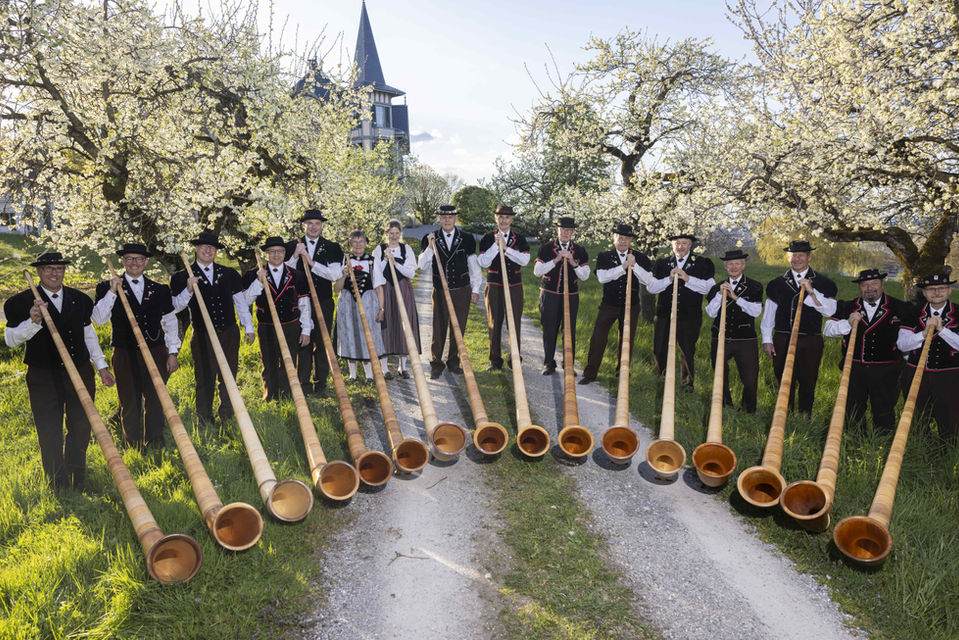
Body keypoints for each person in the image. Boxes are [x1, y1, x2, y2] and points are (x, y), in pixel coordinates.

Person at [4, 251, 115, 489]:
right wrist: (33, 321)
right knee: (49, 428)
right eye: (49, 269)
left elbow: (89, 334)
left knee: (81, 425)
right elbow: (11, 340)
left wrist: (102, 366)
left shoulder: (79, 299)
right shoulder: (19, 302)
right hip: (43, 374)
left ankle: (78, 477)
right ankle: (57, 481)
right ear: (39, 272)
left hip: (81, 370)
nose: (55, 273)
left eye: (59, 268)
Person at [92, 243, 180, 448]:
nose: (134, 263)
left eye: (139, 259)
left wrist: (172, 352)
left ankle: (155, 441)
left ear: (146, 262)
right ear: (122, 261)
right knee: (129, 401)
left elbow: (170, 321)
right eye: (129, 259)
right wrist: (113, 291)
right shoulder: (106, 287)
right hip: (125, 352)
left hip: (156, 350)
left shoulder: (159, 289)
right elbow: (98, 319)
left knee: (156, 398)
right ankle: (132, 444)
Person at [170, 231, 247, 424]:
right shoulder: (182, 277)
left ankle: (228, 415)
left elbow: (240, 301)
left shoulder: (229, 273)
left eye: (211, 247)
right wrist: (188, 289)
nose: (207, 250)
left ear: (216, 251)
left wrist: (249, 326)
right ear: (196, 248)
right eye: (203, 246)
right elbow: (175, 307)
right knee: (205, 377)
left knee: (229, 375)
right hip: (203, 335)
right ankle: (204, 417)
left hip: (229, 332)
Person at [824, 269, 907, 434]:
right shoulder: (848, 306)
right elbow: (828, 329)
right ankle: (854, 442)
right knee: (853, 409)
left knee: (884, 409)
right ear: (860, 288)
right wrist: (848, 323)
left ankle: (882, 443)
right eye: (864, 285)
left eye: (874, 283)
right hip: (854, 368)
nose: (869, 288)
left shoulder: (899, 307)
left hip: (887, 369)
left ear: (882, 284)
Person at [760, 240, 838, 415]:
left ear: (809, 257)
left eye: (801, 255)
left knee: (808, 379)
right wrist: (767, 339)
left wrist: (811, 291)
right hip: (782, 338)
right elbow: (769, 315)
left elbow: (829, 311)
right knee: (783, 378)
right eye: (793, 255)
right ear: (788, 257)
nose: (797, 259)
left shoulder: (825, 283)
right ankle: (784, 414)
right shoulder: (776, 284)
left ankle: (804, 416)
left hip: (810, 340)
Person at [237, 237, 312, 401]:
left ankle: (287, 395)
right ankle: (269, 396)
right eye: (272, 251)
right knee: (269, 362)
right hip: (267, 326)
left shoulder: (296, 275)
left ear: (285, 253)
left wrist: (306, 329)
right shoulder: (253, 275)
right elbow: (246, 301)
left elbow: (304, 304)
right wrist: (258, 281)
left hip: (290, 325)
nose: (276, 255)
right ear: (266, 254)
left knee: (289, 361)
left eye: (280, 251)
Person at [580, 224, 653, 385]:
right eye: (620, 238)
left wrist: (635, 266)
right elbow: (602, 277)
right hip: (609, 305)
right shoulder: (604, 256)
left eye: (626, 238)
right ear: (614, 239)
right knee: (598, 337)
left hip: (631, 306)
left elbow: (648, 280)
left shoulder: (639, 257)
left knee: (626, 339)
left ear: (631, 240)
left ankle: (622, 373)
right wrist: (623, 267)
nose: (623, 241)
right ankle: (590, 373)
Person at [896, 270, 959, 448]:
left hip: (950, 376)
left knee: (950, 419)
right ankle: (919, 453)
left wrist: (942, 330)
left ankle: (947, 456)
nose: (936, 292)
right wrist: (924, 333)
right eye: (931, 289)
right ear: (924, 292)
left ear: (949, 291)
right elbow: (902, 344)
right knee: (917, 417)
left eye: (941, 288)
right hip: (916, 373)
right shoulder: (912, 312)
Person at [418, 205, 482, 379]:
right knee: (439, 327)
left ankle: (454, 362)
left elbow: (474, 266)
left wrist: (475, 290)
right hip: (439, 291)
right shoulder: (430, 238)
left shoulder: (467, 238)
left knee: (458, 327)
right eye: (444, 217)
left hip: (461, 290)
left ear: (455, 219)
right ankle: (436, 363)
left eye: (450, 217)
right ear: (439, 219)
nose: (447, 220)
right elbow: (422, 265)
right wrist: (430, 247)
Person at [286, 208, 344, 395]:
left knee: (322, 340)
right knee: (303, 340)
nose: (313, 227)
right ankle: (302, 383)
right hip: (298, 302)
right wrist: (295, 256)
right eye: (309, 223)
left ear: (321, 226)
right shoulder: (290, 246)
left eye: (317, 223)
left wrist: (312, 264)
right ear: (304, 225)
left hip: (324, 300)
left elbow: (335, 274)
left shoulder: (333, 247)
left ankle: (320, 383)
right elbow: (283, 274)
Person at [648, 233, 715, 388]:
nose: (680, 246)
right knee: (659, 349)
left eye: (684, 243)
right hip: (664, 314)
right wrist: (669, 279)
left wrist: (687, 278)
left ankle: (687, 385)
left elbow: (710, 288)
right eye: (677, 243)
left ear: (690, 245)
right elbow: (651, 287)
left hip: (689, 316)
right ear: (672, 245)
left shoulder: (702, 263)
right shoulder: (662, 263)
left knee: (687, 351)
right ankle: (662, 380)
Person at [704, 249, 762, 413]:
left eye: (737, 264)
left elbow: (756, 312)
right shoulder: (717, 287)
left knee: (750, 378)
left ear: (743, 265)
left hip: (745, 339)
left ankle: (748, 410)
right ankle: (724, 406)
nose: (734, 267)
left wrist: (735, 297)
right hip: (720, 337)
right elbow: (710, 312)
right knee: (720, 376)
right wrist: (720, 296)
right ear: (726, 267)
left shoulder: (754, 286)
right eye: (730, 264)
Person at [533, 216, 590, 375]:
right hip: (549, 294)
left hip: (571, 296)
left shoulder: (580, 250)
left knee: (569, 330)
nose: (565, 232)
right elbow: (537, 272)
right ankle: (549, 363)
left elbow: (585, 276)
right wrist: (557, 259)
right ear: (557, 230)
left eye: (569, 230)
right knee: (549, 329)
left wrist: (573, 262)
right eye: (562, 229)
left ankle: (568, 364)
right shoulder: (546, 248)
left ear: (573, 232)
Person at [477, 205, 530, 371]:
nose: (504, 220)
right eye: (500, 217)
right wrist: (496, 245)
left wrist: (506, 249)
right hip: (494, 286)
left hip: (514, 286)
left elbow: (524, 260)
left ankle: (514, 359)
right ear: (496, 219)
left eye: (507, 217)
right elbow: (483, 262)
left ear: (511, 219)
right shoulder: (487, 238)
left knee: (514, 323)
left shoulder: (519, 239)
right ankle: (495, 360)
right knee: (494, 323)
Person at [334, 230, 386, 382]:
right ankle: (352, 375)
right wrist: (343, 275)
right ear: (349, 244)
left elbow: (379, 287)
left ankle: (369, 375)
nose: (358, 245)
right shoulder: (343, 260)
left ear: (366, 243)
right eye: (354, 242)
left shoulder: (372, 261)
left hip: (368, 302)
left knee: (367, 335)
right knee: (350, 334)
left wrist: (381, 309)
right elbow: (336, 289)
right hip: (348, 303)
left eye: (361, 241)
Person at [373, 220, 419, 379]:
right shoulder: (378, 250)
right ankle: (384, 368)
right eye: (390, 233)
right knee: (385, 325)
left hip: (403, 288)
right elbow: (376, 272)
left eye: (397, 233)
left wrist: (396, 263)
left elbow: (411, 273)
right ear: (386, 234)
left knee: (403, 324)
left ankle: (402, 366)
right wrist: (386, 260)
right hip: (384, 289)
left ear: (400, 234)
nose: (393, 236)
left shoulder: (407, 249)